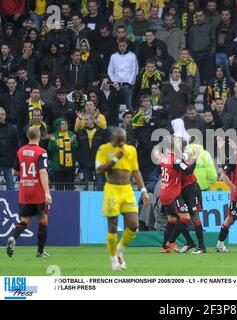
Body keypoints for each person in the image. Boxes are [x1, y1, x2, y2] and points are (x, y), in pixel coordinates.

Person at [95, 128, 150, 271]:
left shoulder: (131, 150)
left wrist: (143, 190)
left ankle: (119, 249)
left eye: (123, 141)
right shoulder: (104, 149)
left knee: (133, 225)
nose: (121, 144)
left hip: (127, 190)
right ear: (112, 139)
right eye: (118, 141)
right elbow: (99, 169)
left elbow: (136, 171)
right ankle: (114, 259)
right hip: (111, 190)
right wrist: (114, 159)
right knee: (112, 226)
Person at [7, 126, 52, 258]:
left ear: (28, 136)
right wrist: (47, 193)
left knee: (24, 221)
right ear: (38, 136)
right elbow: (43, 172)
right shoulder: (41, 152)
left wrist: (27, 175)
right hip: (38, 192)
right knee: (43, 219)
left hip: (24, 192)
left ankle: (13, 237)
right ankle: (40, 251)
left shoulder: (20, 151)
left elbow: (14, 172)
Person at [76, 113, 106, 191]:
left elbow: (104, 147)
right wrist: (81, 161)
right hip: (85, 163)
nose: (85, 121)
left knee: (99, 187)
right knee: (88, 188)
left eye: (87, 119)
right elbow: (78, 149)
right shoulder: (80, 132)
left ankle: (99, 202)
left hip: (98, 163)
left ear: (93, 120)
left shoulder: (101, 132)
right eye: (84, 120)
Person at [107, 40, 139, 110]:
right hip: (116, 85)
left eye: (123, 45)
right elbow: (110, 70)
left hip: (127, 85)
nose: (122, 47)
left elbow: (135, 70)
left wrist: (130, 82)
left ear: (126, 45)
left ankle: (131, 120)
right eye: (120, 46)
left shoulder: (132, 56)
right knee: (115, 106)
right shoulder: (113, 56)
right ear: (118, 46)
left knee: (129, 106)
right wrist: (113, 81)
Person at [0, 107, 18, 190]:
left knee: (10, 184)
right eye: (0, 114)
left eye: (3, 114)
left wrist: (13, 160)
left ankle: (12, 203)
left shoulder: (12, 129)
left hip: (8, 162)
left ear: (5, 116)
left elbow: (15, 146)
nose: (1, 116)